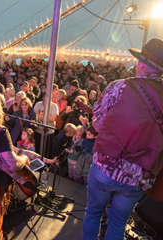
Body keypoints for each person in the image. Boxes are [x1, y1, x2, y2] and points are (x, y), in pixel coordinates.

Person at [82, 38, 163, 240]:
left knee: (93, 214)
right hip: (139, 175)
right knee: (117, 224)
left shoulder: (119, 87)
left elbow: (99, 125)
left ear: (142, 63)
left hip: (106, 168)